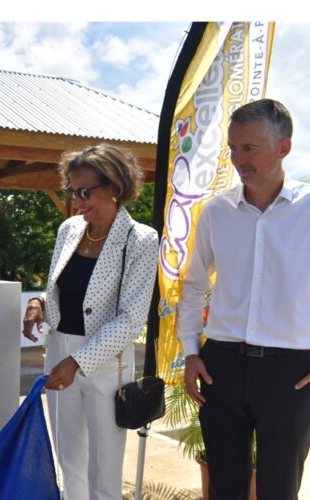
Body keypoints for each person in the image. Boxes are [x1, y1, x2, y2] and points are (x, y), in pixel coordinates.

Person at [178, 98, 310, 499]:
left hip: (291, 372)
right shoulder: (216, 212)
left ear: (284, 147)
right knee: (224, 488)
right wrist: (191, 352)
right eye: (233, 148)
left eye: (249, 148)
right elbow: (193, 286)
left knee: (279, 490)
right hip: (221, 367)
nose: (238, 159)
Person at [22, 143, 158, 500]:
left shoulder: (140, 239)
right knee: (69, 462)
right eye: (72, 191)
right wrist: (38, 302)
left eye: (85, 191)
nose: (77, 200)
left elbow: (131, 318)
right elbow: (62, 290)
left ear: (114, 187)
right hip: (58, 354)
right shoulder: (68, 229)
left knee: (104, 471)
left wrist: (78, 361)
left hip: (106, 364)